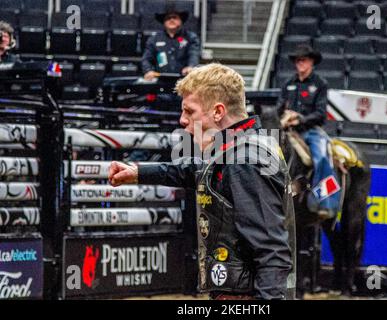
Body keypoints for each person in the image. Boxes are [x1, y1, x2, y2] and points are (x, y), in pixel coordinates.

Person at [108, 63, 296, 300]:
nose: (182, 120)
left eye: (189, 111)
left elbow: (272, 252)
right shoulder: (240, 149)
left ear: (218, 112)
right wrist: (139, 172)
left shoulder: (245, 159)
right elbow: (195, 169)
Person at [277, 44, 340, 220]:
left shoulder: (320, 84)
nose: (300, 63)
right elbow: (279, 107)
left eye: (303, 60)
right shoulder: (288, 84)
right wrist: (284, 117)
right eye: (297, 60)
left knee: (321, 157)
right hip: (288, 131)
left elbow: (321, 114)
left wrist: (300, 119)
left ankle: (325, 203)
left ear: (311, 62)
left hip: (311, 131)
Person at [142, 4, 200, 81]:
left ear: (181, 20)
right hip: (160, 80)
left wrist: (191, 67)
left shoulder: (191, 37)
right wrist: (148, 70)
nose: (171, 20)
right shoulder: (154, 39)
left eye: (175, 17)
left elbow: (194, 54)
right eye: (168, 18)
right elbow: (146, 58)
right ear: (164, 22)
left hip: (183, 80)